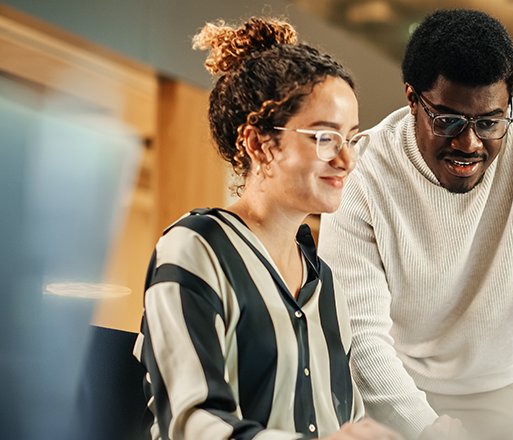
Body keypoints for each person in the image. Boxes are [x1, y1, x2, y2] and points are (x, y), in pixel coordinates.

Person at [318, 9, 513, 440]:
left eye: (489, 123)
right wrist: (428, 431)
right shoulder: (363, 173)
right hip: (403, 394)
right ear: (412, 99)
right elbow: (361, 336)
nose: (469, 143)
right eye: (448, 121)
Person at [133, 16, 403, 440]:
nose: (347, 160)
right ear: (259, 144)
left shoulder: (325, 282)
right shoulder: (196, 248)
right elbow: (190, 425)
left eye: (351, 138)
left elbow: (344, 422)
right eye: (325, 138)